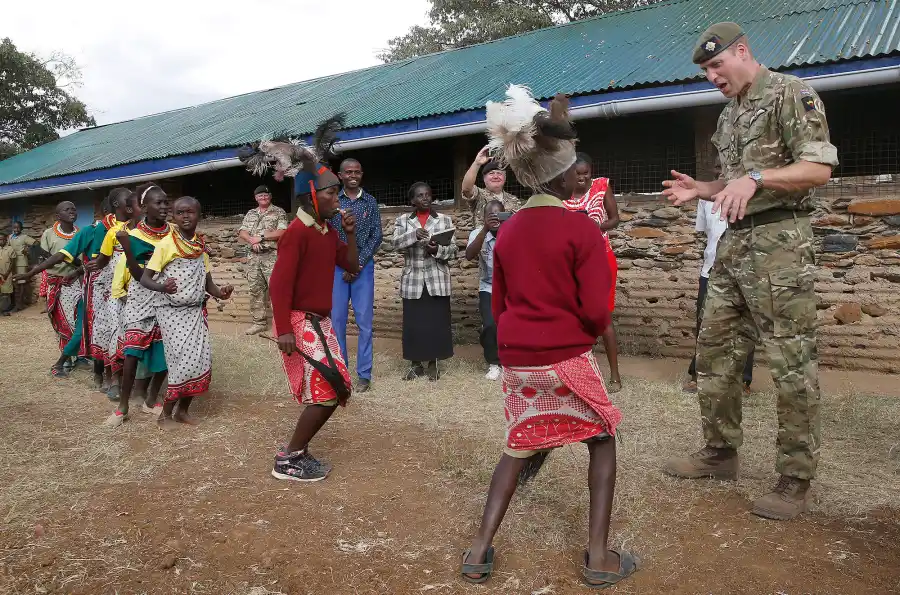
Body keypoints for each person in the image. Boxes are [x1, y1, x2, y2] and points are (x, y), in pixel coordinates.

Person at [461, 86, 638, 589]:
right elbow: (595, 311)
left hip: (517, 356)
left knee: (517, 444)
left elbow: (498, 304)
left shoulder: (508, 229)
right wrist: (578, 334)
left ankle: (479, 550)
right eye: (572, 172)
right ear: (562, 177)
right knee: (602, 438)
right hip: (565, 354)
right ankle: (598, 557)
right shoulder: (582, 230)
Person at [661, 22, 838, 521]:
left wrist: (755, 177)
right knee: (714, 352)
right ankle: (719, 454)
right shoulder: (729, 114)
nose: (712, 76)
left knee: (790, 361)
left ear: (743, 51)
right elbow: (734, 184)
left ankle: (795, 477)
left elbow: (818, 169)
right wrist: (704, 188)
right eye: (705, 71)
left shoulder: (792, 94)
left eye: (718, 65)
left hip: (782, 245)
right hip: (734, 246)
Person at [269, 163, 359, 483]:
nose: (338, 199)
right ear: (312, 196)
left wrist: (350, 233)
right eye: (332, 193)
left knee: (339, 385)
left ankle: (298, 451)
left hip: (320, 322)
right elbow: (279, 285)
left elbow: (351, 265)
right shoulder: (296, 233)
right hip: (300, 321)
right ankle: (288, 459)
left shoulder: (327, 231)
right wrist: (283, 330)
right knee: (327, 388)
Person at [140, 197, 233, 428]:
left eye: (190, 212)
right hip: (171, 313)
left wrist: (221, 293)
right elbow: (145, 278)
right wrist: (163, 287)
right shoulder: (165, 245)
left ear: (199, 215)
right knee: (182, 362)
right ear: (173, 216)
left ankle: (183, 411)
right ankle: (165, 415)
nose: (185, 216)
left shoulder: (201, 248)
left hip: (195, 312)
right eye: (180, 212)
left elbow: (207, 282)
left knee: (201, 361)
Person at [104, 183, 173, 427]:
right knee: (132, 351)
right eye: (158, 202)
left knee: (167, 351)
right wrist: (126, 248)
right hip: (141, 298)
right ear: (144, 207)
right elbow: (135, 273)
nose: (164, 206)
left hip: (168, 298)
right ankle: (123, 407)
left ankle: (152, 397)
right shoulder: (130, 236)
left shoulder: (174, 232)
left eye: (166, 201)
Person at [562, 152, 624, 393]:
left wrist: (597, 226)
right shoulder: (562, 194)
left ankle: (615, 376)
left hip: (601, 258)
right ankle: (577, 374)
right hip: (572, 263)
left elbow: (615, 218)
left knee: (603, 317)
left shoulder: (601, 186)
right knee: (574, 318)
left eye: (586, 173)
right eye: (577, 174)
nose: (582, 178)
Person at [684, 198, 754, 394]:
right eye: (717, 165)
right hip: (711, 271)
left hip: (745, 272)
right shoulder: (705, 200)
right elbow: (706, 234)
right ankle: (699, 376)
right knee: (704, 324)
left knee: (744, 326)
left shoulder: (750, 194)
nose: (721, 168)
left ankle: (742, 380)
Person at [392, 182, 457, 381]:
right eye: (420, 195)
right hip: (413, 280)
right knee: (414, 324)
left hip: (437, 279)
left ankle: (433, 364)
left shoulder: (444, 220)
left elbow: (453, 250)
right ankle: (415, 365)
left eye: (428, 194)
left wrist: (437, 250)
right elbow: (394, 244)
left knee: (436, 323)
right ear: (412, 200)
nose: (425, 198)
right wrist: (413, 235)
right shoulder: (403, 220)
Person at [328, 158, 383, 393]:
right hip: (337, 269)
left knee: (364, 323)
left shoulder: (370, 202)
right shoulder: (332, 202)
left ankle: (364, 375)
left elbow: (376, 236)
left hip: (362, 268)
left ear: (362, 174)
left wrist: (357, 264)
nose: (353, 175)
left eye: (357, 172)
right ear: (340, 175)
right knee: (337, 322)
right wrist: (346, 264)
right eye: (348, 172)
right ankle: (341, 371)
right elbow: (328, 236)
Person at [15, 202, 83, 377]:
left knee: (77, 321)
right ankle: (67, 359)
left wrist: (70, 264)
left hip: (75, 282)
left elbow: (82, 262)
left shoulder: (81, 234)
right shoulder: (49, 234)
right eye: (67, 210)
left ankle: (76, 356)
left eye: (74, 209)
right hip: (55, 283)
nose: (72, 212)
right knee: (62, 323)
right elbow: (43, 257)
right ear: (58, 215)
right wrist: (66, 259)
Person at [238, 185, 288, 336]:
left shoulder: (279, 212)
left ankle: (280, 325)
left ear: (270, 196)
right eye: (260, 195)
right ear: (256, 198)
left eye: (266, 195)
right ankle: (258, 323)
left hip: (272, 257)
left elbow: (283, 231)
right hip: (254, 258)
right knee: (255, 290)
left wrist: (262, 237)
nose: (263, 197)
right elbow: (242, 231)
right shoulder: (251, 213)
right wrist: (252, 241)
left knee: (276, 290)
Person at [465, 200, 504, 381]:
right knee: (490, 324)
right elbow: (469, 255)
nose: (495, 218)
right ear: (483, 218)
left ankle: (510, 361)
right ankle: (494, 363)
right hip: (488, 287)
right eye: (491, 215)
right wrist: (485, 230)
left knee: (508, 325)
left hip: (509, 288)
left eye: (499, 215)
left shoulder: (512, 231)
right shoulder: (477, 232)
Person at [462, 146, 521, 226]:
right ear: (484, 178)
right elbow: (466, 189)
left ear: (505, 178)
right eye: (491, 173)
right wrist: (477, 163)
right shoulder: (479, 195)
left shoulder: (514, 200)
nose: (495, 176)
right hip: (484, 238)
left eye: (499, 173)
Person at [9, 221, 36, 311]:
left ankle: (20, 305)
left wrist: (27, 249)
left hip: (21, 263)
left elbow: (36, 243)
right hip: (12, 263)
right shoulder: (10, 237)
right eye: (14, 227)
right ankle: (14, 303)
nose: (16, 229)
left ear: (21, 228)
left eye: (18, 228)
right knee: (14, 283)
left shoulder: (24, 237)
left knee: (21, 283)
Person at [0, 232, 15, 315]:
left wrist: (6, 273)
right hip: (0, 274)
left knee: (7, 291)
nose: (1, 241)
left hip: (7, 274)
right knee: (1, 291)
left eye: (2, 239)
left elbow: (12, 263)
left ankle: (6, 309)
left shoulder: (10, 249)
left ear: (6, 240)